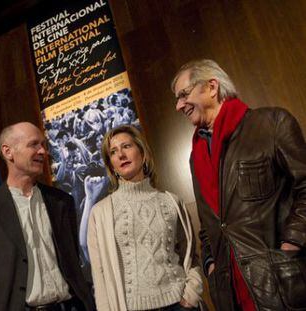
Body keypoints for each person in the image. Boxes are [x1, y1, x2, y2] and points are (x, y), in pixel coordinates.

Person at [171, 59, 306, 311]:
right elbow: (209, 225)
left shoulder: (271, 124)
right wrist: (211, 262)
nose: (179, 105)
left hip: (281, 287)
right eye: (177, 99)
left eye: (183, 95)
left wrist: (292, 243)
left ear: (212, 87)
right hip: (229, 295)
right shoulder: (195, 155)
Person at [0, 122, 95, 311]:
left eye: (44, 145)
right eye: (34, 144)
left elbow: (73, 261)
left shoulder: (61, 202)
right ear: (8, 152)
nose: (43, 151)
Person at [87, 125, 203, 311]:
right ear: (111, 165)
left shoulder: (171, 201)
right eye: (114, 152)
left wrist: (192, 294)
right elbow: (100, 276)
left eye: (126, 146)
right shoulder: (100, 213)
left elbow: (190, 256)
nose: (121, 155)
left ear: (142, 152)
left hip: (179, 304)